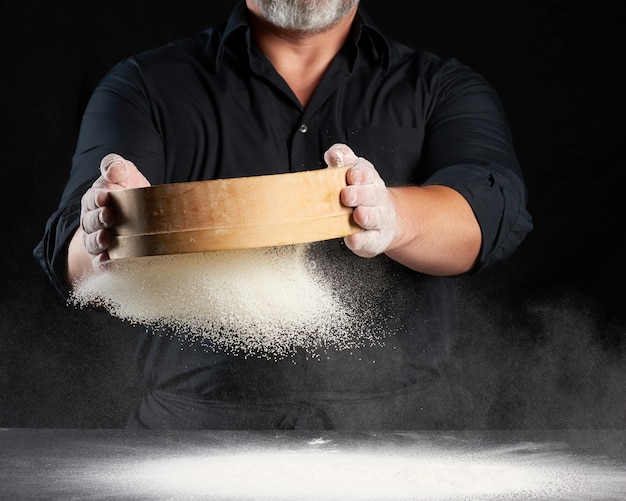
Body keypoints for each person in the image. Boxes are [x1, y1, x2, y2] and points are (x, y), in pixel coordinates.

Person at [34, 0, 532, 429]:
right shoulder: (142, 85)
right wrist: (106, 241)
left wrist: (393, 217)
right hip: (191, 433)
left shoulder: (443, 86)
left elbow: (486, 214)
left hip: (404, 436)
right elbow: (72, 253)